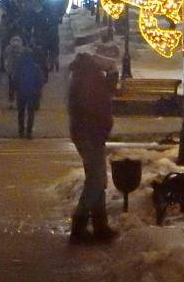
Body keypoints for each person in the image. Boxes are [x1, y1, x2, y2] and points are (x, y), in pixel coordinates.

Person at [67, 52, 118, 244]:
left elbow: (107, 92)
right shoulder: (88, 77)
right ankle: (79, 225)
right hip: (90, 134)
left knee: (98, 179)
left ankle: (100, 225)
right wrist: (111, 70)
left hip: (89, 133)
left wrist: (112, 72)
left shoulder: (86, 75)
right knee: (96, 181)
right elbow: (98, 102)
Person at [13, 50, 44, 139]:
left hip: (21, 92)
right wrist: (38, 92)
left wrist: (15, 89)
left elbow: (15, 79)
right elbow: (39, 81)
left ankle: (21, 131)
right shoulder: (35, 67)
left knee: (21, 113)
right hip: (32, 93)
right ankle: (29, 132)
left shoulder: (19, 67)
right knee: (31, 113)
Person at [2, 35, 25, 107]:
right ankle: (17, 101)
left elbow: (5, 59)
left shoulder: (8, 49)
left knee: (11, 87)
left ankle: (11, 101)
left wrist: (6, 69)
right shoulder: (23, 50)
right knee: (18, 88)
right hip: (18, 72)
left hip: (11, 71)